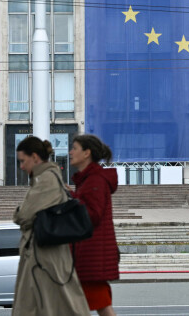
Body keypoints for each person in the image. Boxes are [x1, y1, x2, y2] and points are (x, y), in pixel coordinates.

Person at [12, 136, 90, 316]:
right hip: (43, 256)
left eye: (23, 161)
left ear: (35, 157)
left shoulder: (46, 179)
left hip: (45, 258)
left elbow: (24, 216)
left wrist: (18, 213)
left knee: (54, 304)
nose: (21, 166)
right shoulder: (44, 178)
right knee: (46, 304)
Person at [69, 134, 120, 316]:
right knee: (97, 305)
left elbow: (92, 215)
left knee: (99, 304)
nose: (70, 152)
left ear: (86, 153)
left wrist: (71, 199)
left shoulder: (95, 179)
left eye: (74, 148)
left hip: (91, 256)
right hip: (90, 255)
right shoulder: (88, 179)